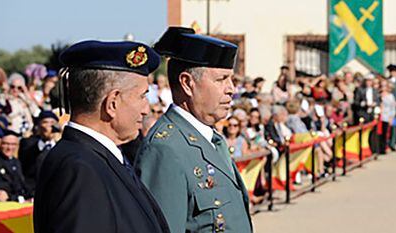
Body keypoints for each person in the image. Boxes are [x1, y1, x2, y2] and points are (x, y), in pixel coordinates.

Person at [33, 40, 170, 233]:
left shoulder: (98, 158)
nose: (146, 109)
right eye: (142, 96)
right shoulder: (80, 169)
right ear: (112, 103)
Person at [135, 27, 253, 233]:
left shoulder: (210, 138)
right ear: (187, 84)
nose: (231, 89)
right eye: (221, 79)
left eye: (231, 79)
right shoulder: (166, 149)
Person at [18, 110, 59, 192]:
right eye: (45, 122)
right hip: (33, 189)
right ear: (38, 125)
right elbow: (29, 154)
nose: (49, 125)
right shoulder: (29, 143)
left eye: (52, 122)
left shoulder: (60, 144)